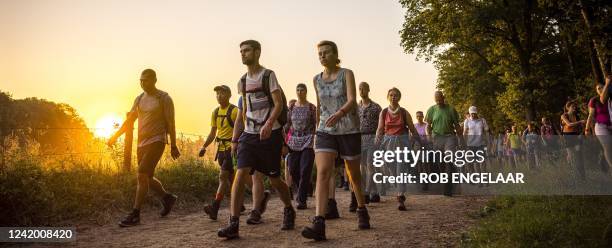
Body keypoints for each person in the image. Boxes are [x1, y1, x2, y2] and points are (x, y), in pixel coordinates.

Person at [217, 40, 295, 239]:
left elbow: (278, 104)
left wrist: (269, 124)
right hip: (249, 136)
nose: (243, 54)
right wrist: (235, 139)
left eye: (247, 50)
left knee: (274, 179)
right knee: (240, 173)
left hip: (271, 135)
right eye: (241, 51)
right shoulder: (242, 81)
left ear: (257, 52)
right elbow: (243, 112)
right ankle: (233, 224)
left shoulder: (268, 75)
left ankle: (288, 208)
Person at [302, 40, 370, 241]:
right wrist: (316, 129)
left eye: (326, 53)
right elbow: (319, 104)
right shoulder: (316, 79)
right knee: (323, 172)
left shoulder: (346, 73)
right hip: (325, 129)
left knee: (354, 175)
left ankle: (361, 209)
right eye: (319, 53)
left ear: (335, 54)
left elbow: (351, 99)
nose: (322, 56)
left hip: (348, 129)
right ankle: (319, 223)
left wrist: (340, 114)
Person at [107, 69, 180, 227]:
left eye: (146, 80)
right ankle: (167, 198)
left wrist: (173, 145)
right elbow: (129, 121)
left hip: (157, 141)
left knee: (141, 174)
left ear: (154, 80)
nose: (142, 83)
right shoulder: (139, 98)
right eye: (140, 80)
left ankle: (135, 214)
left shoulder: (164, 98)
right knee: (146, 177)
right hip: (141, 143)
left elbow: (171, 122)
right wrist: (115, 136)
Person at [199, 85, 268, 220]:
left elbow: (243, 127)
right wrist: (204, 146)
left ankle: (215, 207)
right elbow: (213, 132)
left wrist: (240, 145)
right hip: (221, 150)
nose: (219, 96)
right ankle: (258, 197)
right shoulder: (215, 112)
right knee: (236, 179)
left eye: (222, 93)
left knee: (223, 176)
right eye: (217, 93)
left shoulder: (235, 111)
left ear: (229, 95)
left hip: (233, 149)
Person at [375, 87, 421, 211]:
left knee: (401, 168)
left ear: (399, 97)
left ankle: (400, 197)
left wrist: (419, 141)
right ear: (388, 97)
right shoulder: (384, 112)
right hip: (388, 142)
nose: (393, 97)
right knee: (390, 165)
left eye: (395, 95)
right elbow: (380, 129)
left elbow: (412, 128)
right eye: (391, 95)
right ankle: (398, 185)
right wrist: (376, 142)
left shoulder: (404, 112)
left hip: (402, 142)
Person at [284, 84, 317, 209]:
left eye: (302, 90)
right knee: (293, 169)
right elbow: (287, 124)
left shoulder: (312, 107)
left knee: (305, 169)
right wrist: (284, 141)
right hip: (293, 141)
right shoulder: (291, 107)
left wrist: (315, 138)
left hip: (307, 141)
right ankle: (306, 187)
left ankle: (301, 200)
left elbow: (316, 124)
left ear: (306, 92)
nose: (299, 92)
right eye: (297, 89)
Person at [424, 91, 462, 196]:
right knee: (440, 163)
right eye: (436, 99)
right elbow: (428, 125)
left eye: (440, 99)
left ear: (443, 98)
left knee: (448, 160)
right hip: (437, 138)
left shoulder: (451, 109)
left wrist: (461, 138)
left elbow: (457, 125)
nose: (438, 101)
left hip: (449, 137)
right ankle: (451, 177)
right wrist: (428, 135)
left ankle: (447, 188)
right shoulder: (431, 110)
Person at [358, 82, 382, 203]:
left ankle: (366, 192)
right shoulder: (356, 107)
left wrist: (379, 138)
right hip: (360, 138)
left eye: (364, 89)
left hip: (373, 137)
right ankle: (375, 192)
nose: (361, 91)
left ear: (368, 90)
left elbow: (382, 124)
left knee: (370, 165)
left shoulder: (376, 107)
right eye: (360, 89)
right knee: (363, 167)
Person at [586, 76, 612, 172]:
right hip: (601, 126)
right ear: (596, 91)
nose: (600, 89)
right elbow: (591, 115)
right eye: (598, 88)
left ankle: (603, 161)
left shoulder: (609, 97)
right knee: (608, 145)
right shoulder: (594, 100)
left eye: (602, 87)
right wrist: (587, 129)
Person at [463, 106, 489, 183]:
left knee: (482, 162)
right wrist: (464, 142)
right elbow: (464, 133)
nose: (473, 115)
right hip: (471, 145)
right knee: (475, 162)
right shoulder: (467, 121)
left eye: (474, 113)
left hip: (481, 144)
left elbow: (487, 130)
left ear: (476, 113)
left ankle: (484, 178)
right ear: (470, 113)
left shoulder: (482, 120)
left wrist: (487, 140)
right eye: (471, 114)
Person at [561, 100, 586, 180]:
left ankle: (581, 175)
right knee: (571, 155)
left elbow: (581, 128)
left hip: (576, 136)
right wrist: (580, 122)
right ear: (568, 108)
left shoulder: (577, 116)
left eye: (575, 106)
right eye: (573, 106)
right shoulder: (564, 115)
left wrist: (581, 134)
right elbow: (569, 124)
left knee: (578, 154)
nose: (574, 108)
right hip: (568, 136)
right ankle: (573, 173)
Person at [414, 110, 431, 191]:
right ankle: (422, 180)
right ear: (416, 117)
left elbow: (428, 134)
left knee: (425, 164)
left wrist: (428, 140)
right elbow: (412, 137)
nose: (419, 118)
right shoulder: (414, 126)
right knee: (419, 164)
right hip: (417, 146)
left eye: (420, 116)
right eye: (417, 116)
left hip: (425, 145)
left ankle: (426, 181)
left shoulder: (426, 125)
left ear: (423, 117)